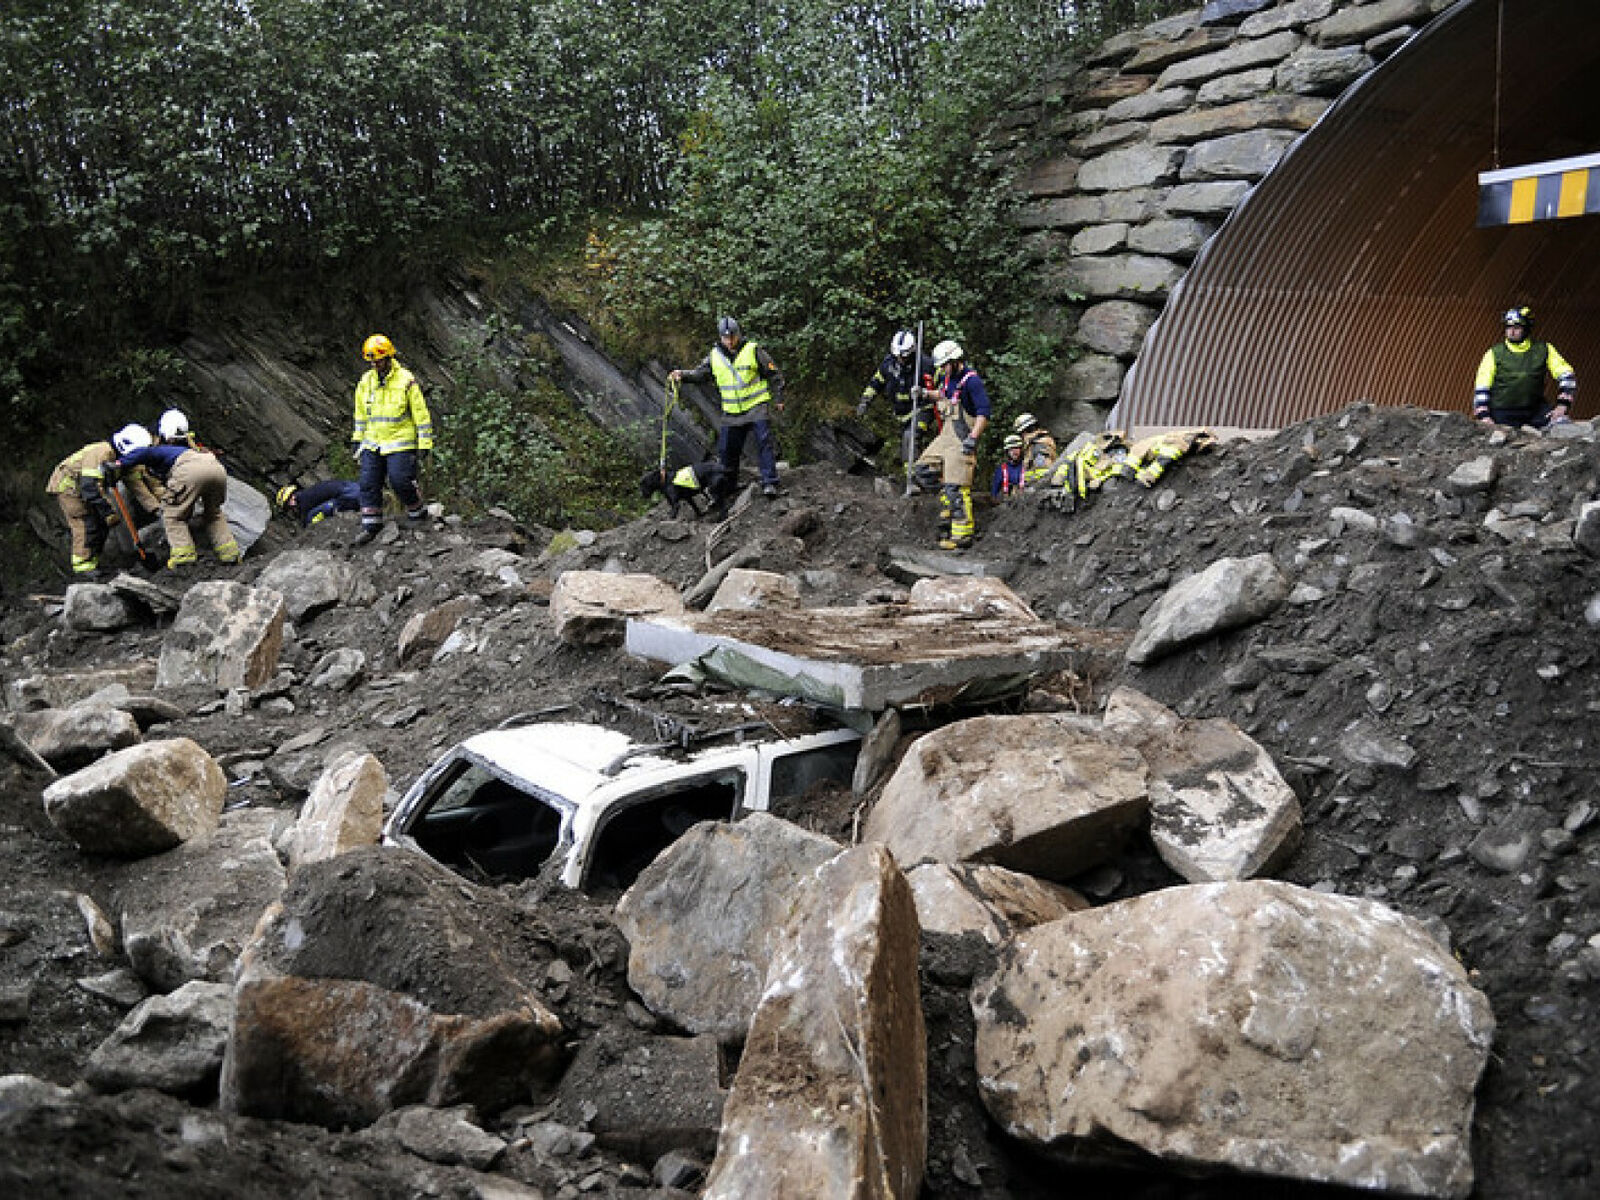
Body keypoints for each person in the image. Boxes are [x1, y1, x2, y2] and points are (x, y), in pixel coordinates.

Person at [669, 316, 785, 498]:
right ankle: (728, 486)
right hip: (732, 412)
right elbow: (700, 374)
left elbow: (774, 374)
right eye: (726, 338)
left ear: (739, 334)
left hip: (756, 407)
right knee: (726, 450)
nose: (730, 341)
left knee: (764, 443)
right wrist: (682, 375)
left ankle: (769, 482)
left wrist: (778, 398)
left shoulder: (753, 350)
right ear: (720, 337)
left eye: (733, 337)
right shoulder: (714, 356)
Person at [113, 423, 240, 568]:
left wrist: (117, 464)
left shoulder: (155, 450)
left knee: (173, 516)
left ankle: (183, 557)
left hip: (190, 471)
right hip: (216, 468)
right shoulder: (180, 450)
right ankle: (230, 554)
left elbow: (143, 453)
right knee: (214, 514)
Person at [45, 426, 163, 577]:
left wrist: (156, 508)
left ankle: (93, 563)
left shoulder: (126, 461)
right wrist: (108, 512)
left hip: (88, 488)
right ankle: (83, 567)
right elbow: (90, 487)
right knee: (85, 523)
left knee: (101, 525)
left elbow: (138, 488)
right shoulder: (101, 453)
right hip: (69, 487)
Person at [352, 333, 434, 545]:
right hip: (373, 441)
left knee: (400, 480)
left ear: (388, 358)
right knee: (368, 483)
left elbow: (421, 413)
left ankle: (417, 512)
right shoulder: (366, 381)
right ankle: (371, 524)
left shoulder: (406, 380)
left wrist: (425, 442)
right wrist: (357, 438)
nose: (374, 365)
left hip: (400, 440)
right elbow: (360, 414)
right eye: (371, 362)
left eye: (378, 361)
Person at [912, 340, 990, 550]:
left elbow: (983, 413)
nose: (942, 369)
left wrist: (972, 438)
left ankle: (962, 536)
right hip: (945, 436)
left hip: (962, 438)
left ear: (956, 361)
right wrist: (925, 393)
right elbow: (943, 394)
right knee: (921, 470)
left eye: (945, 365)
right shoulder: (949, 380)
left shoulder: (971, 381)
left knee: (957, 487)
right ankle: (946, 500)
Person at [1473, 305, 1577, 428]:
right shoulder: (1494, 353)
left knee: (1563, 426)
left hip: (1535, 410)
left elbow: (1567, 375)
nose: (1511, 332)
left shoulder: (1544, 349)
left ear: (1526, 329)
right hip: (1502, 412)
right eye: (1508, 327)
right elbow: (1482, 385)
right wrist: (1484, 415)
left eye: (1516, 328)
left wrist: (1562, 406)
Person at [856, 330, 936, 475]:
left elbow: (941, 387)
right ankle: (915, 474)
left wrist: (925, 392)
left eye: (904, 356)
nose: (900, 359)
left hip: (922, 408)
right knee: (905, 444)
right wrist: (865, 400)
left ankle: (913, 477)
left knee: (910, 436)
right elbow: (876, 382)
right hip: (901, 412)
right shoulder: (889, 364)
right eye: (897, 355)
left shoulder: (925, 365)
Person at [276, 481, 361, 527]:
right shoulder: (308, 493)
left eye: (289, 501)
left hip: (350, 495)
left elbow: (305, 519)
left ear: (293, 495)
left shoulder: (304, 499)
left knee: (311, 519)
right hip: (353, 487)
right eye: (287, 505)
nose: (291, 505)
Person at [1013, 412, 1059, 486]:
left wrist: (1026, 483)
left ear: (1024, 432)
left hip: (1040, 489)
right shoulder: (1039, 443)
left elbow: (1043, 472)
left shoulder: (1038, 446)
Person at [992, 434, 1026, 499]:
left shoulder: (1026, 467)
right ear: (1007, 451)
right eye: (1011, 449)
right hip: (1005, 504)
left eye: (1016, 448)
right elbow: (994, 493)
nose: (1014, 451)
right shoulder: (1001, 469)